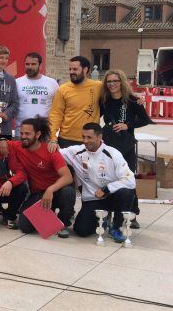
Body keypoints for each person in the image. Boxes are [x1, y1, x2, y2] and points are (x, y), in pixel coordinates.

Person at [60, 123, 136, 242]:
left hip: (113, 197)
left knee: (126, 193)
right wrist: (51, 143)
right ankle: (102, 220)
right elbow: (55, 153)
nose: (85, 141)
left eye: (89, 137)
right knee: (81, 230)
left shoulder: (113, 153)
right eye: (83, 137)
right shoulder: (76, 151)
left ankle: (116, 227)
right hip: (93, 199)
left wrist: (106, 189)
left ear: (99, 136)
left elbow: (130, 180)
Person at [99, 69, 152, 226]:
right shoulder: (104, 100)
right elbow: (95, 116)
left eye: (115, 81)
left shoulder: (132, 100)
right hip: (109, 144)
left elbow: (145, 120)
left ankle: (132, 214)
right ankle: (108, 211)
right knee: (109, 177)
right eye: (109, 81)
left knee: (128, 178)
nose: (112, 84)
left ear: (121, 82)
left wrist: (127, 125)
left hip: (126, 145)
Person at [9, 117, 74, 237]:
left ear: (38, 134)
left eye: (27, 134)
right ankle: (48, 215)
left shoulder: (50, 150)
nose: (23, 136)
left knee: (68, 192)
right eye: (21, 133)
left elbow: (68, 177)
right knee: (25, 227)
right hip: (38, 194)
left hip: (56, 192)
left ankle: (63, 223)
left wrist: (50, 189)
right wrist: (3, 139)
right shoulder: (18, 146)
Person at [48, 56, 103, 151]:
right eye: (70, 69)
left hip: (90, 139)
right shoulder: (63, 89)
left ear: (85, 70)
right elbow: (56, 115)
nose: (71, 72)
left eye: (75, 69)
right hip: (66, 139)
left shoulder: (98, 86)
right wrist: (53, 138)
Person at [14, 52, 58, 136]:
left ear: (40, 65)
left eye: (33, 64)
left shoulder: (52, 83)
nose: (30, 67)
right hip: (21, 133)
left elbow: (58, 108)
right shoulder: (17, 82)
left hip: (44, 132)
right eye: (27, 64)